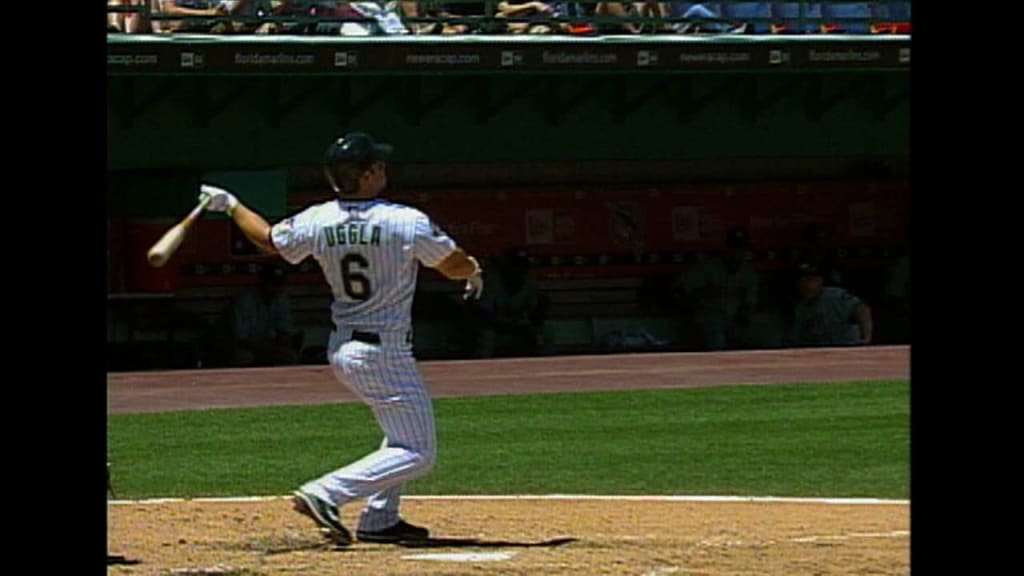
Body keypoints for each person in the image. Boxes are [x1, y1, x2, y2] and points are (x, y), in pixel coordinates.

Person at [197, 132, 484, 546]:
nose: (383, 170)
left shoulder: (318, 219)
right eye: (377, 166)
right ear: (365, 175)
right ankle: (326, 492)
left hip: (346, 346)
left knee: (400, 434)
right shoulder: (405, 219)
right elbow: (455, 266)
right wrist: (474, 269)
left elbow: (266, 240)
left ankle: (380, 519)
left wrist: (231, 205)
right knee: (419, 452)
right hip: (383, 349)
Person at [673, 227, 759, 351]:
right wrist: (691, 312)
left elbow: (750, 306)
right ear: (727, 249)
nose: (737, 253)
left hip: (735, 321)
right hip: (709, 319)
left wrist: (745, 314)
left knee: (767, 335)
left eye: (741, 249)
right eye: (734, 248)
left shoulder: (749, 274)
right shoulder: (708, 268)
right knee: (716, 336)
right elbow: (680, 288)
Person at [469, 247, 549, 358]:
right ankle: (481, 366)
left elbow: (534, 311)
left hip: (516, 323)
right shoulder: (491, 282)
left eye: (522, 266)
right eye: (515, 265)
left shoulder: (529, 283)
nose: (518, 270)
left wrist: (532, 319)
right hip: (493, 324)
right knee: (487, 336)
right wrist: (506, 324)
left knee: (543, 332)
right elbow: (482, 314)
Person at [229, 265, 302, 367]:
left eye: (279, 285)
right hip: (248, 347)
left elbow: (285, 330)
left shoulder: (282, 300)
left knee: (290, 356)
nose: (275, 288)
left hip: (273, 346)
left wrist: (282, 344)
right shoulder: (246, 301)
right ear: (262, 283)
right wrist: (266, 348)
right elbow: (241, 337)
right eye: (271, 284)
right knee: (243, 357)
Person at [790, 262, 873, 347]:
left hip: (847, 349)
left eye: (811, 280)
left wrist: (866, 338)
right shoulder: (800, 309)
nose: (807, 285)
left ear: (821, 281)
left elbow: (862, 310)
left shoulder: (835, 296)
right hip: (821, 354)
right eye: (803, 281)